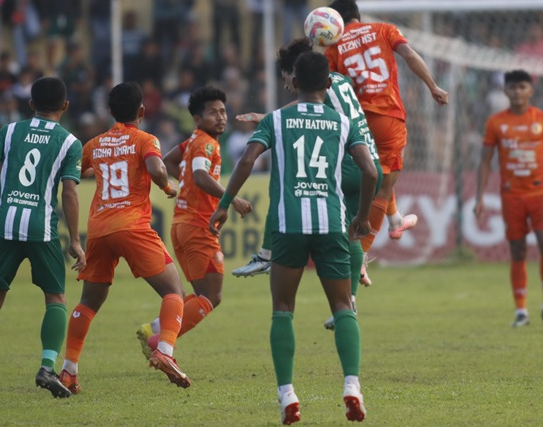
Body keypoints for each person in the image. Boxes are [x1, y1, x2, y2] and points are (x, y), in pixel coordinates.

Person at [209, 51, 377, 424]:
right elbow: (369, 170)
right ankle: (352, 386)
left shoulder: (276, 119)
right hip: (332, 223)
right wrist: (362, 217)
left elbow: (247, 161)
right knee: (343, 307)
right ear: (330, 84)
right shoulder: (341, 121)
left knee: (283, 308)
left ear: (294, 82)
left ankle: (287, 395)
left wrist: (224, 203)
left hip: (289, 226)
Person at [231, 38, 382, 335]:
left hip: (350, 164)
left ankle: (265, 254)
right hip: (369, 161)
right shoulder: (337, 78)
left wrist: (270, 119)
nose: (287, 84)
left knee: (288, 183)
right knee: (351, 231)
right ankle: (349, 301)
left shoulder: (316, 87)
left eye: (287, 77)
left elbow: (306, 103)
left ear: (296, 72)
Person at [0, 76, 86, 403]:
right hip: (40, 228)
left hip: (4, 223)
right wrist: (74, 239)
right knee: (55, 298)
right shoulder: (70, 142)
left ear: (31, 105)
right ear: (65, 106)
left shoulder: (10, 131)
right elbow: (69, 191)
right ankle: (46, 367)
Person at [59, 81, 191, 393]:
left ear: (110, 111)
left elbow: (74, 175)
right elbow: (157, 168)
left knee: (89, 301)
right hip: (131, 226)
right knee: (175, 292)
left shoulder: (95, 144)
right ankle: (165, 351)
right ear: (142, 111)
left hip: (99, 230)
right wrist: (168, 187)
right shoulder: (145, 139)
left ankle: (69, 371)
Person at [325, 0, 449, 283]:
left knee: (378, 173)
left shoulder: (333, 45)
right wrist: (432, 86)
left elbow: (327, 86)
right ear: (357, 14)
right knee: (385, 180)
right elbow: (409, 55)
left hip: (354, 121)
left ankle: (394, 219)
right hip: (388, 115)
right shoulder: (384, 29)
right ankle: (362, 255)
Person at [135, 86, 250, 355]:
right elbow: (199, 175)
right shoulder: (205, 143)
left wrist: (183, 183)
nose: (221, 117)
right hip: (198, 226)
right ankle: (159, 344)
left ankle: (153, 329)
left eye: (223, 111)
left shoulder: (192, 141)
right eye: (213, 113)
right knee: (212, 296)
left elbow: (168, 160)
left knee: (201, 294)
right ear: (198, 118)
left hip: (181, 226)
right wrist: (232, 199)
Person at [473, 69, 543, 327]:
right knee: (517, 250)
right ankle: (521, 311)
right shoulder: (495, 123)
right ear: (505, 91)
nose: (517, 92)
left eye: (522, 87)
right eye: (512, 87)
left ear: (530, 91)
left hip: (540, 193)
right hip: (511, 195)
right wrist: (479, 197)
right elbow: (485, 161)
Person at [88, 0, 120, 82]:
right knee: (99, 39)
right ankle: (97, 65)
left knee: (108, 41)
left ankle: (106, 66)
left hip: (109, 14)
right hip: (98, 14)